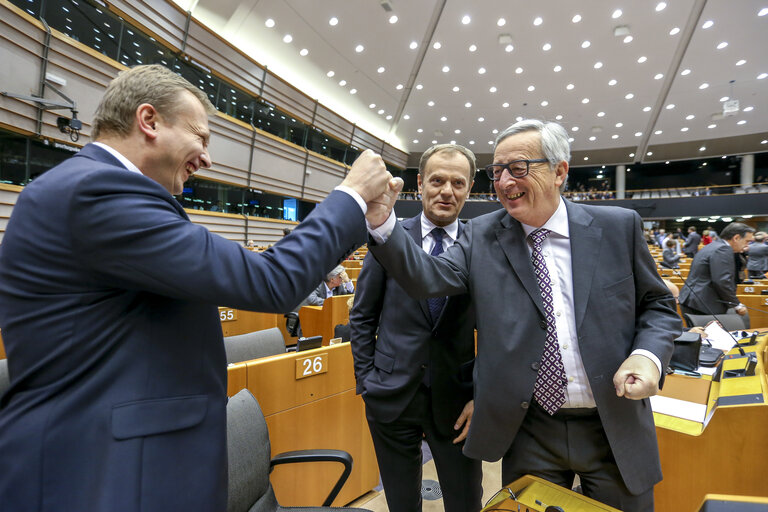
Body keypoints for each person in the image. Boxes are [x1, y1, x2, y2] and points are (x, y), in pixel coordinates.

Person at [0, 64, 399, 512]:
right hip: (102, 473)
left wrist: (360, 219)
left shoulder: (99, 191)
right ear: (148, 121)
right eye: (200, 137)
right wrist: (350, 194)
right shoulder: (97, 191)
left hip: (130, 464)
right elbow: (270, 282)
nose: (206, 158)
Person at [364, 119, 681, 512]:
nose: (504, 181)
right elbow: (428, 277)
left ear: (559, 171)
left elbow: (658, 306)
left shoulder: (618, 227)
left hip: (612, 421)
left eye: (518, 168)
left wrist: (647, 355)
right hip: (531, 429)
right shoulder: (482, 234)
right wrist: (382, 223)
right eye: (497, 172)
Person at [350, 144, 483, 512]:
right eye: (438, 180)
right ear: (421, 183)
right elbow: (362, 316)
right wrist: (367, 381)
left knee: (466, 501)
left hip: (457, 403)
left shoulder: (482, 246)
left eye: (458, 183)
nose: (447, 191)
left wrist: (481, 394)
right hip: (392, 396)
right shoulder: (387, 235)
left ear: (469, 189)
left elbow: (494, 331)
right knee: (402, 503)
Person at [678, 222, 754, 319]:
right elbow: (722, 281)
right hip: (704, 303)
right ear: (736, 238)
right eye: (747, 241)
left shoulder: (713, 246)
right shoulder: (723, 249)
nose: (747, 245)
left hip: (693, 300)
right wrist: (737, 304)